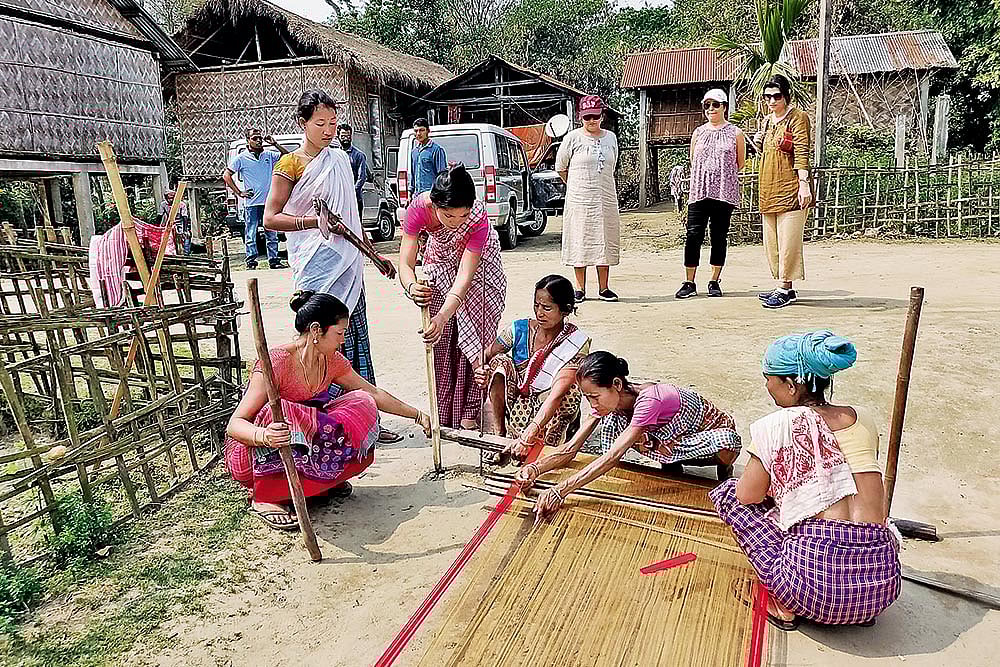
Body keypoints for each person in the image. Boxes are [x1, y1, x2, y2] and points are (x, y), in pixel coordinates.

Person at [711, 331, 900, 630]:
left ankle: (784, 604)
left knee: (729, 495)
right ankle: (857, 607)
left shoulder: (776, 426)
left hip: (812, 591)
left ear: (790, 384)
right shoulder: (863, 417)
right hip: (881, 587)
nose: (767, 386)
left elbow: (748, 496)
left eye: (768, 378)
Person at [263, 89, 403, 444]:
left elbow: (351, 222)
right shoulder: (289, 165)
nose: (328, 130)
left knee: (356, 341)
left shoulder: (339, 160)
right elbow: (271, 218)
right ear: (303, 123)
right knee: (323, 346)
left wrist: (374, 255)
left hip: (350, 267)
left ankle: (368, 420)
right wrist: (313, 222)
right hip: (315, 269)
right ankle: (327, 426)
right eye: (320, 123)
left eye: (333, 123)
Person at [225, 291, 429, 530]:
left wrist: (417, 415)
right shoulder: (276, 362)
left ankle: (320, 483)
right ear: (315, 330)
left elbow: (373, 394)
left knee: (361, 402)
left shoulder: (331, 360)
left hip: (306, 438)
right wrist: (265, 436)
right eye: (339, 333)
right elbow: (235, 424)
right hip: (260, 447)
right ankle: (266, 498)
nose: (342, 341)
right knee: (285, 412)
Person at [522, 351, 743, 523]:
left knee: (728, 441)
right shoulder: (611, 402)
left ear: (617, 384)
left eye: (594, 397)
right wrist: (534, 469)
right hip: (670, 440)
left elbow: (612, 456)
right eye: (588, 398)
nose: (592, 404)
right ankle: (673, 465)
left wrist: (561, 491)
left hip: (704, 434)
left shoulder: (649, 400)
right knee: (615, 424)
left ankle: (723, 469)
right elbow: (571, 448)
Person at [398, 165, 507, 429]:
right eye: (448, 215)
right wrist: (412, 287)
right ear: (434, 205)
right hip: (441, 259)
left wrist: (444, 315)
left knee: (476, 336)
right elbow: (405, 263)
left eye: (463, 215)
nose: (456, 222)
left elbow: (464, 278)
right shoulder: (418, 210)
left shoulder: (478, 221)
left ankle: (470, 412)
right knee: (442, 342)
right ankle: (444, 415)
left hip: (481, 268)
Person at [475, 274, 591, 458]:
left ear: (565, 310)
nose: (539, 313)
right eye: (536, 305)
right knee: (500, 363)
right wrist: (481, 370)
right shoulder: (519, 329)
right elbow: (487, 354)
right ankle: (500, 435)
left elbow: (558, 393)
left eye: (547, 308)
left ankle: (552, 440)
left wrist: (529, 433)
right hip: (520, 399)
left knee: (572, 388)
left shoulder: (575, 342)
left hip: (551, 402)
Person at [676, 89, 746, 300]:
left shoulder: (736, 133)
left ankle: (714, 280)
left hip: (724, 192)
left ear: (724, 106)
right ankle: (689, 281)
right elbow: (692, 159)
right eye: (707, 105)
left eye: (715, 104)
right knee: (693, 235)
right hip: (699, 191)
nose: (711, 109)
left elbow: (739, 163)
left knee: (718, 236)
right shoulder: (698, 133)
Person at [752, 74, 812, 309]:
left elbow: (802, 150)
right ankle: (781, 284)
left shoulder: (797, 117)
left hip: (791, 187)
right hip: (769, 186)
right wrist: (758, 141)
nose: (772, 101)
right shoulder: (767, 122)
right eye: (767, 97)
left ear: (786, 96)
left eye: (776, 96)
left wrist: (804, 183)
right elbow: (767, 152)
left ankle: (785, 287)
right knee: (772, 241)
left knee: (789, 240)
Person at [556, 95, 621, 303]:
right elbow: (561, 167)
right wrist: (575, 186)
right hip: (580, 199)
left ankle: (604, 288)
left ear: (602, 116)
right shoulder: (572, 138)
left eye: (595, 116)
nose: (591, 120)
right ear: (580, 117)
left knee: (604, 238)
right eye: (587, 117)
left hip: (605, 198)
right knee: (580, 239)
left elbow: (613, 165)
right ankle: (579, 288)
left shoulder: (611, 138)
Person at [223, 128, 289, 270]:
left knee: (271, 232)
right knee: (251, 233)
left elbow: (287, 156)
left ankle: (274, 260)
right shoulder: (241, 158)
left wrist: (275, 143)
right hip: (252, 203)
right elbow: (226, 175)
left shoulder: (269, 155)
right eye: (255, 138)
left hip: (269, 202)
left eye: (260, 138)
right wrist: (239, 192)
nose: (258, 140)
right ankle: (251, 261)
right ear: (248, 140)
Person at [338, 124, 369, 221]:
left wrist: (351, 192)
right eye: (343, 136)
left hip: (354, 198)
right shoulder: (334, 154)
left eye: (348, 136)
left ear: (351, 136)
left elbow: (362, 177)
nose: (345, 139)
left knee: (356, 228)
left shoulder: (359, 155)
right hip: (339, 199)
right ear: (338, 136)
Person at [409, 118, 448, 198]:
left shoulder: (437, 150)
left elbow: (442, 176)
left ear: (428, 131)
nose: (419, 134)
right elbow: (413, 175)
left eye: (421, 130)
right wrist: (410, 193)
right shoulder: (414, 152)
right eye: (416, 131)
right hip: (417, 196)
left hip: (432, 195)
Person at [160, 188, 191, 255]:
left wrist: (185, 230)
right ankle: (173, 253)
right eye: (169, 198)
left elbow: (185, 217)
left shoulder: (181, 204)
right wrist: (157, 227)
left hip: (180, 223)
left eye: (172, 198)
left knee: (186, 236)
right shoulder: (163, 204)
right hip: (170, 223)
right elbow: (160, 216)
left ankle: (186, 253)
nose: (170, 200)